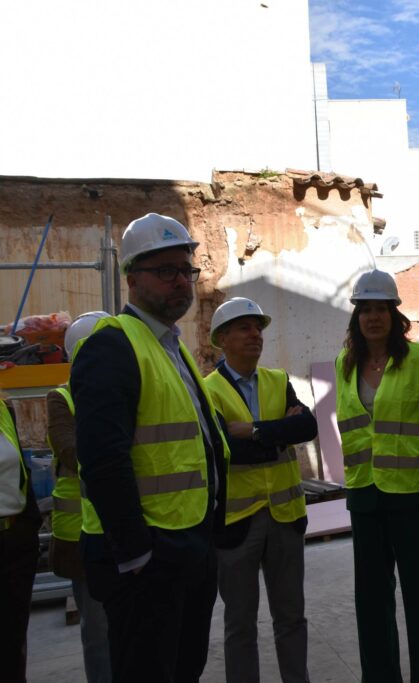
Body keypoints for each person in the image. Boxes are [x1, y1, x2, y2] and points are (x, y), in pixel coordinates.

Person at [71, 212, 228, 682]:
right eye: (165, 272)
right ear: (131, 278)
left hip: (190, 548)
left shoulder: (171, 346)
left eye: (186, 270)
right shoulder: (112, 346)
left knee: (183, 670)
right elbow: (102, 460)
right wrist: (137, 554)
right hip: (149, 561)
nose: (180, 281)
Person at [334, 269, 419, 682]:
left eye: (380, 308)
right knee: (371, 602)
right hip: (365, 497)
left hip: (414, 496)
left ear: (394, 314)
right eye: (365, 309)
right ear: (356, 316)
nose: (373, 317)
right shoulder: (344, 364)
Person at [204, 297, 317, 683]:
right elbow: (224, 451)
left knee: (291, 618)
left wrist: (254, 431)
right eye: (244, 328)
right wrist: (277, 433)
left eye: (258, 327)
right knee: (240, 624)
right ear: (222, 339)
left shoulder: (278, 380)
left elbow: (307, 428)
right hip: (237, 524)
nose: (255, 335)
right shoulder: (208, 392)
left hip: (285, 519)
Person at [47, 311, 113, 683]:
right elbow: (70, 451)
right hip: (82, 537)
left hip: (130, 528)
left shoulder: (125, 393)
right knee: (98, 632)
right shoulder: (62, 399)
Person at [0, 394, 41, 683]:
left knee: (13, 641)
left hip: (14, 539)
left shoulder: (3, 408)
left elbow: (19, 472)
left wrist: (29, 526)